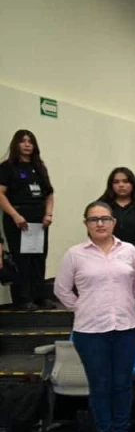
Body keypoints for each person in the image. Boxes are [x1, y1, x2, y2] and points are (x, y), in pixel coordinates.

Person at [54, 202, 135, 432]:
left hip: (126, 327)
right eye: (94, 220)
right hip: (90, 331)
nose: (100, 224)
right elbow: (61, 290)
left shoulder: (128, 251)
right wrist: (82, 306)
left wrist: (123, 304)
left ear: (114, 222)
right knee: (100, 384)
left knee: (122, 384)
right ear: (86, 224)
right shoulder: (75, 254)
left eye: (105, 219)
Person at [0, 130, 55, 310]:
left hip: (39, 219)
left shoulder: (39, 167)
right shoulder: (7, 167)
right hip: (18, 218)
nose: (27, 144)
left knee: (38, 258)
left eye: (30, 141)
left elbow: (49, 194)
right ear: (16, 144)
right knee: (21, 259)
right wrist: (15, 216)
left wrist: (48, 214)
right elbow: (1, 194)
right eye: (23, 141)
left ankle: (40, 296)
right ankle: (23, 299)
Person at [99, 168, 135, 265]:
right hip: (106, 256)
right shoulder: (102, 206)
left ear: (133, 183)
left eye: (125, 181)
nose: (121, 185)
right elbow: (94, 230)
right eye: (116, 182)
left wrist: (128, 250)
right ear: (111, 185)